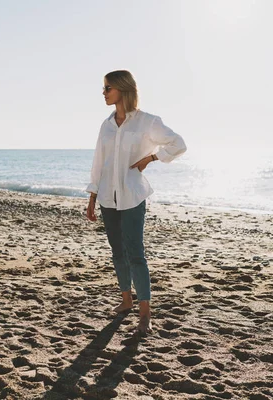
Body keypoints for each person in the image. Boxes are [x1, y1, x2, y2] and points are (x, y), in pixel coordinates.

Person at [85, 70, 187, 335]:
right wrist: (92, 197)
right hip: (108, 196)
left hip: (132, 196)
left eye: (108, 88)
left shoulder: (147, 122)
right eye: (104, 88)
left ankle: (145, 314)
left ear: (122, 89)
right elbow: (99, 162)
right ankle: (126, 301)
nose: (104, 93)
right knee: (117, 251)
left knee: (136, 254)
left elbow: (178, 144)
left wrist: (151, 158)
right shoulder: (106, 125)